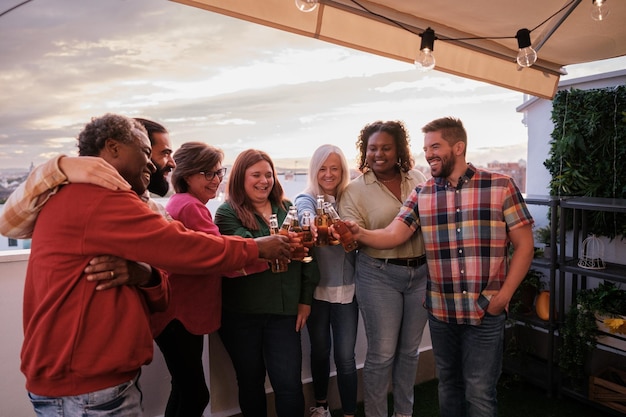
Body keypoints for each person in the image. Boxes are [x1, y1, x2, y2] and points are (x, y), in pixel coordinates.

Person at [14, 114, 291, 416]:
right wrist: (257, 248)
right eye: (146, 152)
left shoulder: (80, 196)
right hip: (86, 384)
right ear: (113, 148)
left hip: (89, 379)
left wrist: (144, 273)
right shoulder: (100, 199)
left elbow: (160, 272)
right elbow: (183, 245)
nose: (151, 165)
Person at [344, 117, 535, 417]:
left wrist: (503, 297)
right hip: (442, 311)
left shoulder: (500, 186)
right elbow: (394, 234)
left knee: (479, 392)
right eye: (426, 148)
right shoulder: (423, 193)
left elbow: (525, 246)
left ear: (458, 147)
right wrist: (360, 233)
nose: (429, 154)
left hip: (485, 308)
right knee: (448, 386)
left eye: (436, 146)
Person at [151, 142, 269, 417]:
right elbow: (220, 257)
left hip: (172, 314)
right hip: (181, 316)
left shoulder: (180, 203)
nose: (216, 179)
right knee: (194, 394)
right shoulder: (192, 208)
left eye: (218, 172)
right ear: (186, 174)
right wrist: (269, 257)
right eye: (207, 173)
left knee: (183, 389)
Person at [214, 149, 319, 417]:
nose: (264, 181)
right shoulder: (226, 213)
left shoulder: (290, 209)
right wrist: (277, 247)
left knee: (289, 385)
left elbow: (309, 258)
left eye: (268, 174)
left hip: (285, 314)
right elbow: (248, 250)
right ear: (240, 178)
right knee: (250, 383)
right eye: (256, 175)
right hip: (241, 315)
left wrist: (305, 300)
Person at [336, 120, 429, 417]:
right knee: (382, 353)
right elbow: (352, 240)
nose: (379, 154)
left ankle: (404, 413)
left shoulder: (417, 178)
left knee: (409, 352)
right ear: (365, 151)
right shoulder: (354, 191)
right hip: (379, 275)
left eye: (386, 148)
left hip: (421, 275)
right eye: (373, 148)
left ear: (398, 149)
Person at [294, 145, 358, 417]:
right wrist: (312, 222)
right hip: (318, 293)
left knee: (345, 358)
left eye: (334, 168)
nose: (328, 174)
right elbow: (302, 209)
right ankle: (320, 406)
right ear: (314, 171)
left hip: (348, 292)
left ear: (343, 170)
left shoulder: (351, 196)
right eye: (322, 168)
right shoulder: (307, 197)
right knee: (320, 353)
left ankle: (350, 412)